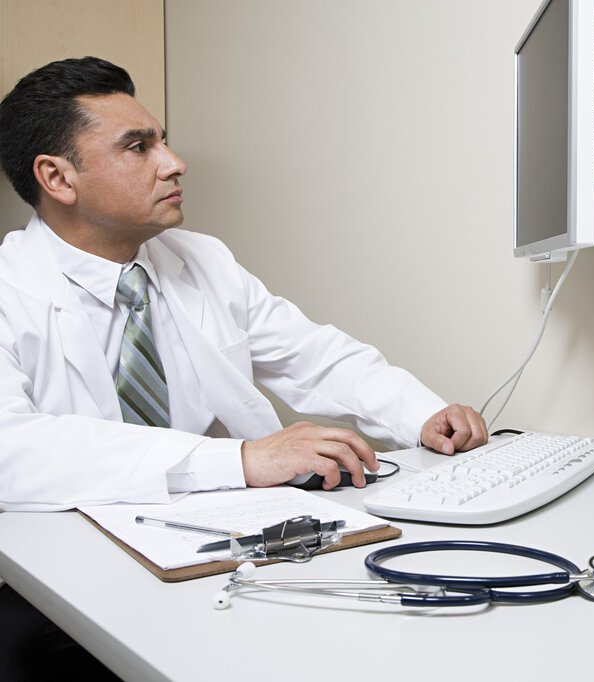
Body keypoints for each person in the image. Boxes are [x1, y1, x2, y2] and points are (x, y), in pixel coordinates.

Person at [0, 56, 488, 680]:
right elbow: (13, 448)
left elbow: (314, 354)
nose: (174, 162)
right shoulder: (10, 288)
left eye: (164, 140)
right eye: (137, 146)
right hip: (70, 580)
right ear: (57, 178)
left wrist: (423, 414)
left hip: (220, 549)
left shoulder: (199, 259)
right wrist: (243, 460)